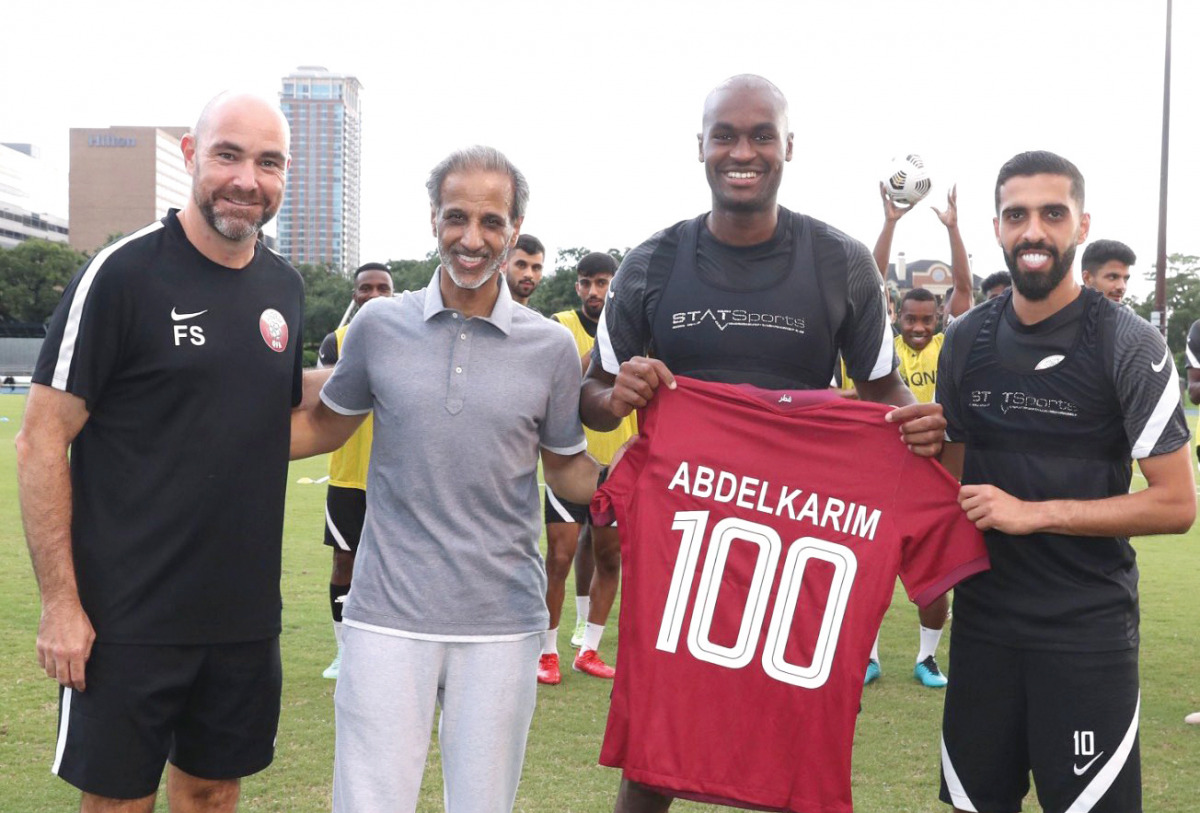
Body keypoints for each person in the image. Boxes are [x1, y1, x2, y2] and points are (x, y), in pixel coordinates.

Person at [579, 73, 947, 813]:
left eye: (760, 136)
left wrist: (921, 422)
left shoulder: (839, 261)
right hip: (683, 535)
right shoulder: (652, 262)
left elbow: (882, 394)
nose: (741, 151)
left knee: (790, 721)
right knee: (656, 740)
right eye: (725, 135)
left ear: (788, 147)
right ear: (701, 148)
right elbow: (591, 398)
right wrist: (616, 396)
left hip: (797, 534)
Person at [289, 146, 602, 813]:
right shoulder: (378, 324)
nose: (472, 237)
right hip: (385, 615)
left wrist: (648, 485)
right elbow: (323, 426)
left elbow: (568, 467)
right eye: (456, 216)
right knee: (369, 801)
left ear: (515, 228)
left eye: (492, 221)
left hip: (502, 619)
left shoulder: (549, 347)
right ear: (433, 217)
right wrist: (197, 435)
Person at [15, 92, 301, 813]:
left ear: (284, 174)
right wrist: (60, 605)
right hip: (126, 618)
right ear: (189, 157)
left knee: (211, 792)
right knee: (118, 801)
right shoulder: (123, 274)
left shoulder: (285, 288)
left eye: (267, 162)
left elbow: (275, 423)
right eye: (228, 154)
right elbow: (42, 438)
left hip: (241, 617)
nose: (246, 179)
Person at [936, 150, 1194, 813]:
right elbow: (952, 482)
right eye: (1017, 215)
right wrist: (924, 445)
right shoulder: (964, 340)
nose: (1034, 231)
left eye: (1053, 213)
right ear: (996, 226)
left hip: (1086, 631)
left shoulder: (1129, 344)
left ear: (1082, 223)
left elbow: (1175, 503)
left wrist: (1034, 512)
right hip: (984, 626)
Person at [866, 184, 976, 687]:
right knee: (867, 573)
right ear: (897, 318)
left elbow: (966, 294)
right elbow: (868, 282)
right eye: (909, 319)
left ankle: (927, 658)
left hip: (934, 481)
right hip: (880, 480)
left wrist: (953, 229)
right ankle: (865, 656)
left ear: (938, 321)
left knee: (933, 581)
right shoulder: (883, 349)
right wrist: (890, 223)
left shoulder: (948, 347)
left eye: (926, 320)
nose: (917, 326)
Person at [540, 251, 637, 684]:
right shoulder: (561, 327)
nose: (593, 291)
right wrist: (601, 349)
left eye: (602, 283)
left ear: (615, 284)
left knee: (609, 558)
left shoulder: (637, 329)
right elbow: (561, 384)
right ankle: (546, 653)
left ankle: (590, 650)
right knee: (559, 557)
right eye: (585, 283)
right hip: (568, 463)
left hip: (618, 467)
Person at [315, 262, 395, 679]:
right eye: (366, 288)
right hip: (348, 478)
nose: (375, 294)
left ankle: (389, 651)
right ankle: (344, 651)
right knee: (345, 563)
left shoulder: (410, 340)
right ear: (355, 296)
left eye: (384, 288)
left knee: (397, 567)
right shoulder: (336, 341)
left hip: (398, 478)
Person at [1081, 238, 1136, 305]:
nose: (1122, 286)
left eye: (1125, 279)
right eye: (1113, 277)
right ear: (1087, 278)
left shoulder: (1127, 315)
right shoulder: (1066, 312)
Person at [502, 233, 546, 305]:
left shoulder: (535, 316)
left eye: (536, 268)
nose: (529, 274)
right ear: (503, 265)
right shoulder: (482, 311)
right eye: (521, 265)